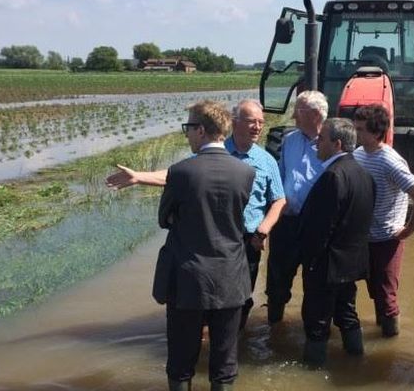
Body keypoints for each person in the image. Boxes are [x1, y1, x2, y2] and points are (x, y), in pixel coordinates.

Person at [106, 99, 286, 328]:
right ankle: (206, 337)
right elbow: (180, 174)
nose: (258, 127)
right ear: (234, 122)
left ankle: (235, 338)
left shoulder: (267, 160)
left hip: (247, 240)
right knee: (204, 295)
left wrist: (263, 230)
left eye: (261, 122)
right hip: (211, 237)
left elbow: (279, 199)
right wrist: (139, 177)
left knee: (240, 297)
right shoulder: (214, 151)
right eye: (252, 121)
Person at [154, 100, 254, 391]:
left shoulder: (181, 172)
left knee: (181, 361)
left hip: (188, 279)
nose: (187, 135)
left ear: (200, 130)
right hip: (231, 279)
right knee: (224, 362)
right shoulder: (245, 173)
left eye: (188, 128)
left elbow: (164, 219)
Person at [297, 118, 375, 366]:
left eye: (321, 139)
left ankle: (312, 371)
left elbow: (319, 228)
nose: (316, 144)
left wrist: (309, 260)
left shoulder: (333, 176)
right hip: (351, 264)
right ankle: (356, 361)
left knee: (317, 322)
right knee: (347, 314)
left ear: (337, 144)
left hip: (326, 265)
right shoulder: (364, 174)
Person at [352, 104, 414, 337]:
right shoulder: (357, 155)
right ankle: (380, 332)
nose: (356, 134)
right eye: (355, 128)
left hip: (387, 239)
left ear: (376, 132)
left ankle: (389, 350)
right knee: (374, 292)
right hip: (363, 240)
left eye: (360, 129)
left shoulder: (390, 161)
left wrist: (408, 230)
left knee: (387, 297)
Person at [266, 90, 327, 324]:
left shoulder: (332, 141)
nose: (293, 116)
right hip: (287, 223)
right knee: (277, 282)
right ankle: (274, 327)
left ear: (314, 114)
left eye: (297, 111)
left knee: (315, 285)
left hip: (316, 227)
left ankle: (314, 333)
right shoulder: (289, 140)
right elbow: (280, 177)